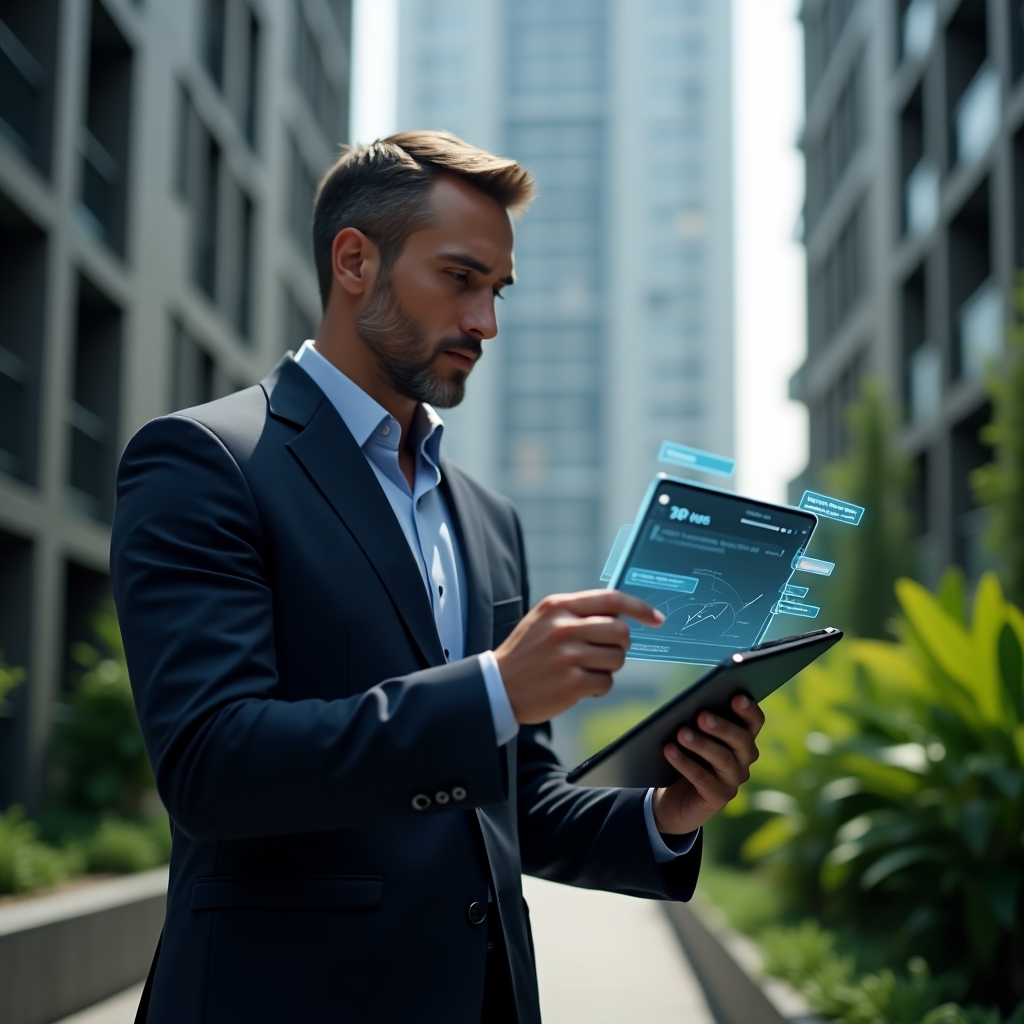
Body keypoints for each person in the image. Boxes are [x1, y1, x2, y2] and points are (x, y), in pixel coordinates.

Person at [111, 131, 764, 1024]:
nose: (486, 323)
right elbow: (212, 765)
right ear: (354, 262)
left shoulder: (488, 517)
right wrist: (496, 687)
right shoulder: (205, 461)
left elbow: (509, 799)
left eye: (496, 292)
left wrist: (664, 813)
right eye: (460, 279)